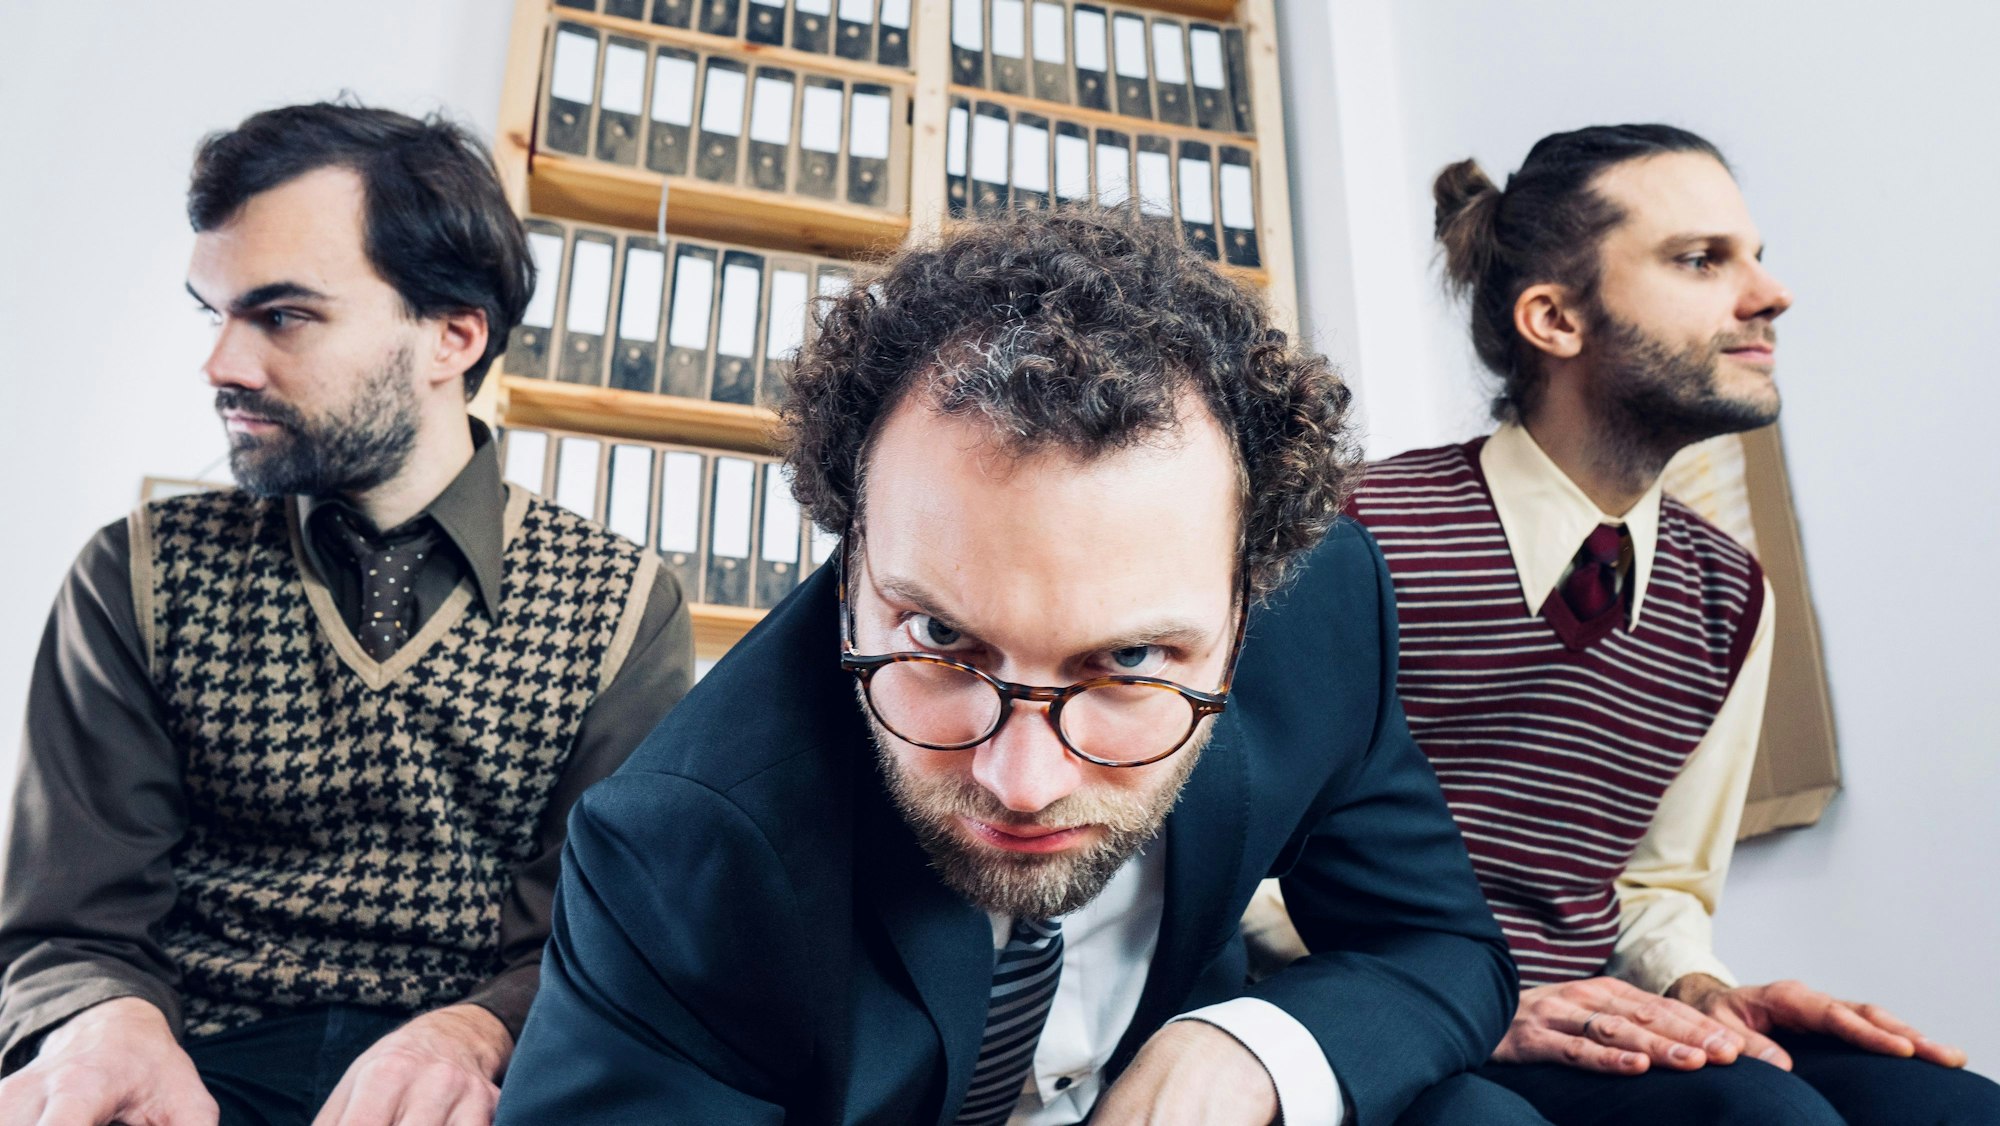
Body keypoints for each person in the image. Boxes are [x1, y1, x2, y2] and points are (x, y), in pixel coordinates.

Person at [494, 208, 1521, 1124]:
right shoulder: (678, 844)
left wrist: (1249, 1049)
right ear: (850, 561)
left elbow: (1435, 946)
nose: (1018, 786)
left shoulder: (1326, 613)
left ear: (1247, 608)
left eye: (1126, 660)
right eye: (940, 640)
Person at [0, 102, 693, 1126]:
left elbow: (597, 939)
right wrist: (107, 1024)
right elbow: (74, 924)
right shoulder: (136, 572)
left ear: (452, 337)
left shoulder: (621, 606)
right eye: (216, 313)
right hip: (179, 1070)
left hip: (468, 1084)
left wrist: (476, 1032)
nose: (222, 364)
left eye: (281, 315)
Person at [1335, 124, 2000, 1124]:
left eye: (1755, 257)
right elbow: (1223, 867)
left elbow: (1656, 887)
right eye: (1699, 260)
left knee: (1950, 1108)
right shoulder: (1352, 534)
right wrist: (1456, 998)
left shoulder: (1729, 594)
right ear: (1554, 318)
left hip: (1587, 1022)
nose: (1767, 294)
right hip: (1378, 1006)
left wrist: (1698, 988)